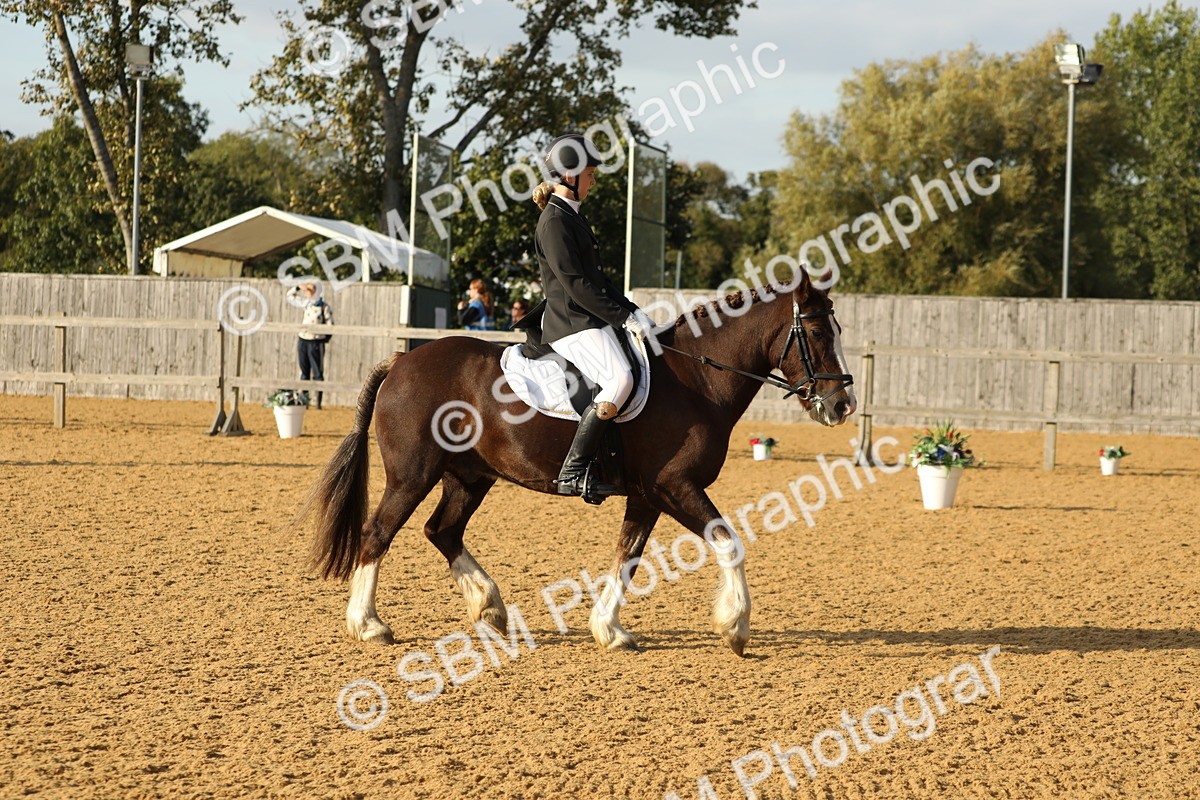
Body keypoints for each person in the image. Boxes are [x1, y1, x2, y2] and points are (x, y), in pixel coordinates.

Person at [529, 133, 645, 499]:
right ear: (569, 176)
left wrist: (632, 311)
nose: (594, 180)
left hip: (589, 319)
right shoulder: (554, 222)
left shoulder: (572, 216)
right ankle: (572, 470)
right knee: (621, 379)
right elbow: (577, 285)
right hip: (571, 324)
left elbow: (599, 280)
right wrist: (621, 318)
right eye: (590, 173)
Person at [287, 283, 333, 409]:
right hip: (303, 340)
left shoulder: (324, 307)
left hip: (315, 342)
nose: (307, 292)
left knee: (317, 372)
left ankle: (318, 403)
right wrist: (297, 287)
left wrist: (323, 338)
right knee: (304, 371)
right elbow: (290, 296)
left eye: (310, 289)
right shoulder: (306, 304)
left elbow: (330, 325)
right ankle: (304, 400)